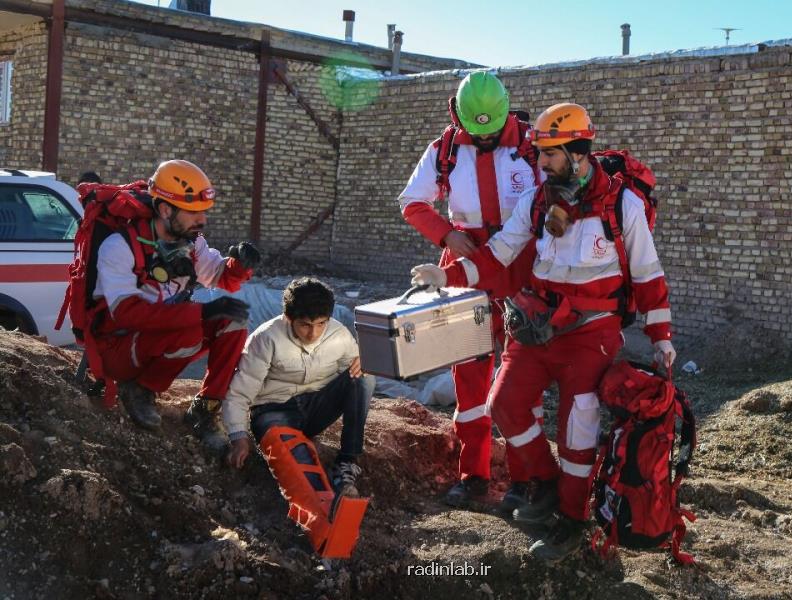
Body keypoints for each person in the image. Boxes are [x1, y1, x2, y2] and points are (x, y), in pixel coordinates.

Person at [411, 103, 676, 561]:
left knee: (578, 427)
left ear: (578, 152)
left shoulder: (621, 204)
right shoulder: (538, 201)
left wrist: (661, 338)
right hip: (536, 329)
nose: (540, 163)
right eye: (538, 153)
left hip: (592, 334)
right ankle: (549, 486)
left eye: (549, 154)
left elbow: (649, 273)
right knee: (505, 404)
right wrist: (448, 276)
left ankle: (571, 522)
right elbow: (499, 254)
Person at [398, 71, 541, 510]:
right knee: (470, 376)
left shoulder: (532, 147)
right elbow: (412, 201)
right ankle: (472, 474)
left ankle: (525, 479)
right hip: (461, 265)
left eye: (492, 132)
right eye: (476, 133)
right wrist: (445, 235)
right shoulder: (443, 149)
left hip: (519, 266)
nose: (484, 141)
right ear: (458, 115)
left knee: (523, 379)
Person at [92, 159, 259, 453]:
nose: (202, 221)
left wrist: (240, 266)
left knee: (233, 323)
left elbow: (222, 277)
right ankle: (140, 390)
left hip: (163, 333)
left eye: (203, 213)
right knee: (190, 332)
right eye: (194, 213)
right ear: (165, 209)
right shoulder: (119, 247)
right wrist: (201, 312)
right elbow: (127, 314)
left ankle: (205, 411)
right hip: (119, 348)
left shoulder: (191, 243)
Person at [223, 277, 374, 498]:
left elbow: (353, 377)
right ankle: (323, 506)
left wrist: (365, 361)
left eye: (321, 324)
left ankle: (346, 464)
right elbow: (239, 393)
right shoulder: (265, 339)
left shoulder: (338, 333)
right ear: (288, 318)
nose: (313, 333)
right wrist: (238, 437)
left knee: (364, 378)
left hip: (315, 409)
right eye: (305, 325)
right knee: (301, 473)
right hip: (273, 412)